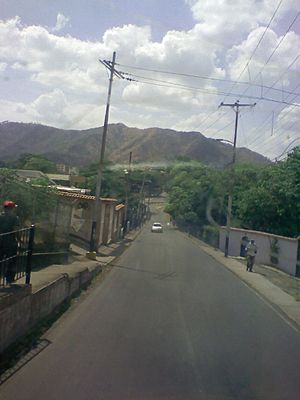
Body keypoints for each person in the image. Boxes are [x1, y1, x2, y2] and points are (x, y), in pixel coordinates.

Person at [0, 200, 20, 284]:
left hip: (0, 241)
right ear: (11, 208)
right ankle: (9, 278)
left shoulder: (0, 216)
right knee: (12, 260)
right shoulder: (15, 218)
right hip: (11, 242)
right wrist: (19, 240)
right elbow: (16, 230)